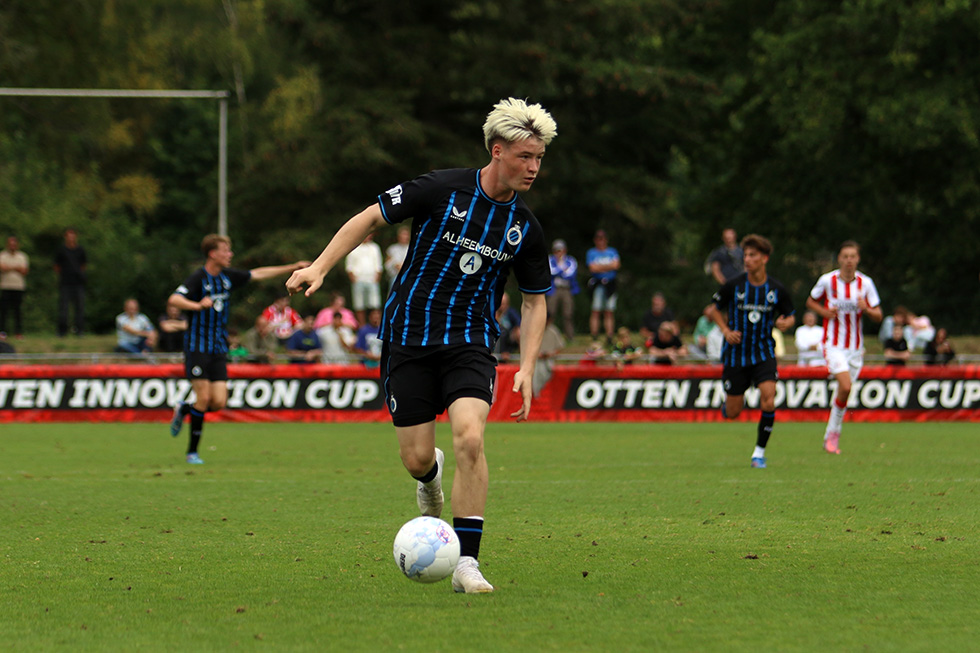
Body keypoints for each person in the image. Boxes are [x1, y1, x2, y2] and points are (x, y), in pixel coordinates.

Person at [286, 97, 556, 594]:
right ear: (497, 151)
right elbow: (369, 218)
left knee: (471, 439)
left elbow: (536, 302)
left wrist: (526, 364)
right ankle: (429, 480)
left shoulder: (525, 228)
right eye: (525, 156)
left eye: (539, 158)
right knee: (415, 457)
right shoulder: (441, 188)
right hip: (408, 337)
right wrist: (320, 266)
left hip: (470, 342)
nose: (534, 167)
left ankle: (467, 564)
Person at [167, 234, 308, 464]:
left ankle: (184, 410)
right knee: (203, 398)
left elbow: (259, 273)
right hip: (197, 347)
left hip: (218, 348)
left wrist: (293, 267)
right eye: (225, 250)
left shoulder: (227, 277)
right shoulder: (197, 279)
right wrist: (196, 305)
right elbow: (174, 299)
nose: (230, 254)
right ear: (213, 253)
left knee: (218, 402)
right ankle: (192, 452)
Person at [707, 234, 795, 469]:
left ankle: (759, 453)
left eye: (753, 255)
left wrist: (787, 322)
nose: (747, 259)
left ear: (764, 258)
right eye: (746, 255)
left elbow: (790, 314)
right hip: (736, 355)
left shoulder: (776, 289)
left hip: (764, 353)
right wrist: (725, 330)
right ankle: (728, 404)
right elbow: (713, 310)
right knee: (733, 412)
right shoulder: (734, 285)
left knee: (768, 400)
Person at [806, 240, 882, 455]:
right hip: (833, 344)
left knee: (844, 392)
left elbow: (879, 315)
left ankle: (831, 434)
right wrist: (823, 312)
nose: (849, 260)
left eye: (853, 256)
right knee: (846, 387)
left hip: (855, 349)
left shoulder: (866, 284)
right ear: (839, 258)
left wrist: (866, 309)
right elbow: (810, 302)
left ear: (858, 259)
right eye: (845, 256)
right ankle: (834, 434)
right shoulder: (827, 281)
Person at [586, 229, 620, 343]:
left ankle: (609, 336)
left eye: (603, 238)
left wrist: (600, 267)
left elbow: (616, 265)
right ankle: (594, 335)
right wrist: (608, 266)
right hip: (598, 284)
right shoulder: (591, 253)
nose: (601, 241)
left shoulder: (612, 251)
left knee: (609, 311)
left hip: (610, 284)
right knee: (596, 310)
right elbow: (592, 268)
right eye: (598, 239)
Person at [54, 227, 87, 336]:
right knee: (64, 308)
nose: (71, 238)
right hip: (65, 283)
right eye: (69, 236)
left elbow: (83, 265)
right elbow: (56, 266)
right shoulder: (61, 250)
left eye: (73, 236)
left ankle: (79, 330)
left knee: (79, 308)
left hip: (78, 283)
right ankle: (62, 331)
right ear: (65, 237)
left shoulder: (80, 250)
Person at [345, 232, 383, 325]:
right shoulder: (354, 247)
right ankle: (362, 326)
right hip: (359, 279)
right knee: (359, 305)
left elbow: (378, 265)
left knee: (375, 304)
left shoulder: (375, 247)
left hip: (372, 279)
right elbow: (349, 266)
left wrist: (376, 278)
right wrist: (354, 279)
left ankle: (376, 326)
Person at [546, 239, 579, 340]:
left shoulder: (571, 260)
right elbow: (551, 272)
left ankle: (570, 336)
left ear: (564, 250)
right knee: (550, 313)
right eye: (556, 250)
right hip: (553, 289)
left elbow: (571, 274)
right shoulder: (550, 259)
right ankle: (549, 336)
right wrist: (562, 270)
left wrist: (559, 272)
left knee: (568, 313)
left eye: (560, 250)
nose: (558, 253)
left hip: (566, 289)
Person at [0, 235, 29, 338]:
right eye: (10, 244)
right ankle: (2, 332)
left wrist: (9, 267)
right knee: (4, 311)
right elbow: (2, 268)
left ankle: (18, 332)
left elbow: (24, 270)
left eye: (14, 244)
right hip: (6, 286)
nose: (12, 246)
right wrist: (16, 267)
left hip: (18, 287)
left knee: (17, 311)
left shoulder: (22, 256)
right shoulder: (2, 255)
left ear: (17, 245)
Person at [533, 313, 566, 396]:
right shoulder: (533, 330)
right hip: (536, 361)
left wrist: (550, 354)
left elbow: (560, 348)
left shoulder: (554, 331)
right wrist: (536, 354)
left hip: (550, 361)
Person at [493, 291, 521, 361]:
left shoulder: (511, 313)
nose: (502, 306)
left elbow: (519, 324)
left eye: (504, 304)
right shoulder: (491, 312)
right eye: (501, 304)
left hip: (507, 341)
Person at [384, 225, 412, 292]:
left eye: (406, 235)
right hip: (395, 277)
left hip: (409, 277)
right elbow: (387, 265)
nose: (404, 237)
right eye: (402, 235)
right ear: (398, 236)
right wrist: (395, 265)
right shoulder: (392, 249)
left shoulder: (412, 249)